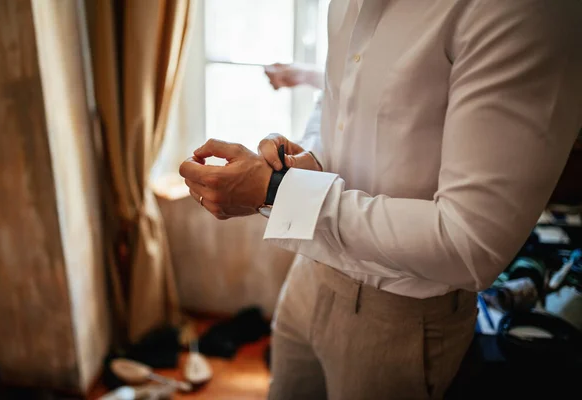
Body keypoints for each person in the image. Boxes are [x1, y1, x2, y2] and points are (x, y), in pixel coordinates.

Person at [180, 1, 582, 399]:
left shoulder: (522, 12)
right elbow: (336, 100)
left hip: (400, 316)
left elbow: (469, 245)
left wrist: (277, 192)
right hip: (309, 275)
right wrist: (308, 161)